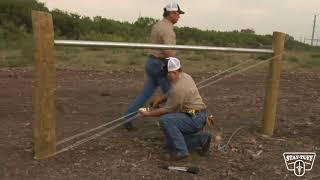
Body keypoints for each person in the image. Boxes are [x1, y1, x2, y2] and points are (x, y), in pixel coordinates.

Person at [124, 2, 185, 130]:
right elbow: (169, 52)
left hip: (151, 62)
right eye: (178, 14)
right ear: (172, 13)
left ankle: (128, 117)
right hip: (160, 64)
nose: (179, 16)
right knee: (174, 93)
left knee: (145, 94)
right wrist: (176, 68)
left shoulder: (158, 25)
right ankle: (179, 123)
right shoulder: (167, 29)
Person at [139, 57, 212, 161]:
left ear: (173, 72)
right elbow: (171, 92)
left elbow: (167, 110)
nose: (166, 76)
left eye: (167, 73)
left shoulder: (179, 89)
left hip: (194, 118)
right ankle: (202, 139)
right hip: (197, 115)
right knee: (171, 142)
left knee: (166, 120)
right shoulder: (185, 76)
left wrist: (147, 114)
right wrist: (160, 99)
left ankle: (181, 152)